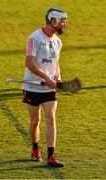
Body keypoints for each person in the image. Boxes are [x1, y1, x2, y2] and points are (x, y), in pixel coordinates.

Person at [22, 8, 67, 168]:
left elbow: (55, 63)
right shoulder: (35, 38)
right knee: (35, 122)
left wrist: (57, 77)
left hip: (49, 89)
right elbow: (29, 63)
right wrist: (46, 78)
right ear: (53, 21)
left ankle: (51, 156)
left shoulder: (58, 42)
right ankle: (35, 149)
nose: (65, 25)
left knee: (51, 118)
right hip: (32, 87)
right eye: (63, 21)